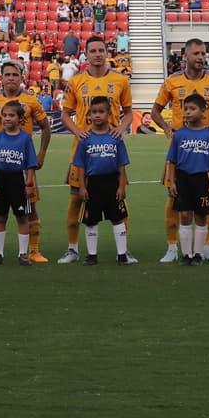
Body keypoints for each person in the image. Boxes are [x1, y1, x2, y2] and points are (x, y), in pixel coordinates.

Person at [150, 37, 209, 263]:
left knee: (206, 201)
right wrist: (168, 128)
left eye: (203, 54)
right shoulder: (172, 82)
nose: (201, 57)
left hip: (204, 150)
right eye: (196, 54)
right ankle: (172, 247)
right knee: (173, 197)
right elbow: (155, 112)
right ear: (185, 56)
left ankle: (206, 247)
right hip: (180, 150)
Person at [57, 35, 134, 264]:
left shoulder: (120, 80)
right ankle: (72, 249)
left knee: (119, 200)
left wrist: (121, 128)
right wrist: (77, 131)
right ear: (86, 54)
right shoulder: (76, 81)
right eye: (93, 51)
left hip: (111, 151)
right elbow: (65, 113)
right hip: (83, 151)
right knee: (76, 200)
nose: (98, 54)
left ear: (106, 53)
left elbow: (129, 112)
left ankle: (124, 250)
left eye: (101, 50)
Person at [0, 60, 52, 263]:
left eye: (15, 75)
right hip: (1, 164)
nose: (11, 78)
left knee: (30, 207)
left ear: (21, 78)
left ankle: (33, 250)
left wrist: (42, 153)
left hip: (23, 166)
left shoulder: (31, 101)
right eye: (7, 74)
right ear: (1, 78)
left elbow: (46, 127)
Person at [72, 96, 133, 266]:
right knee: (91, 220)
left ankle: (122, 255)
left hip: (113, 183)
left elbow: (122, 165)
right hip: (93, 184)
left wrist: (122, 185)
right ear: (89, 115)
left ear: (109, 114)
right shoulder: (85, 138)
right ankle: (92, 255)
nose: (97, 115)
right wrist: (82, 187)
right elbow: (81, 166)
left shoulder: (116, 137)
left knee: (117, 218)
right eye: (94, 112)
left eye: (101, 112)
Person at [165, 94, 209, 266]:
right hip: (183, 178)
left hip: (202, 178)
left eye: (192, 109)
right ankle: (186, 255)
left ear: (203, 111)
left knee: (201, 215)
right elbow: (172, 161)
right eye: (185, 109)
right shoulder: (179, 135)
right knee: (184, 214)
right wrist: (172, 181)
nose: (188, 112)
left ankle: (198, 254)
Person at [0, 101, 38, 266]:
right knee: (0, 217)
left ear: (20, 118)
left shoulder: (25, 138)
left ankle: (23, 254)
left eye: (11, 115)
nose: (7, 118)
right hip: (1, 180)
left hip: (18, 180)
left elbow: (31, 164)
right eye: (5, 115)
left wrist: (29, 185)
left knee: (22, 218)